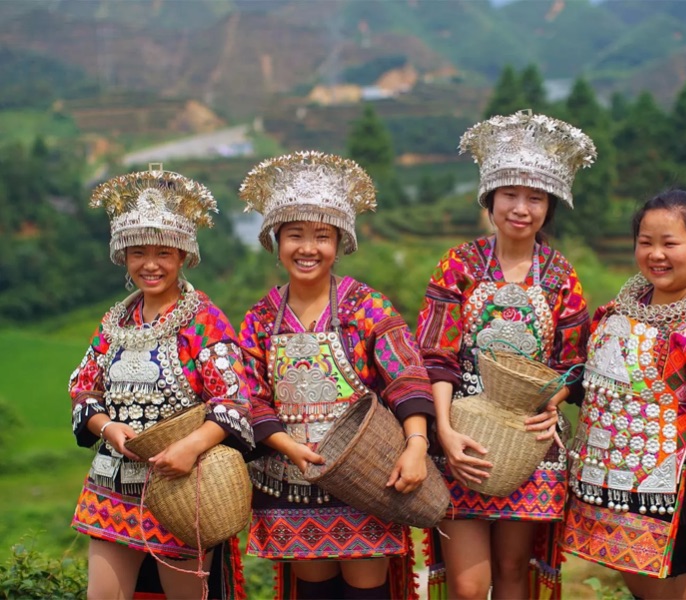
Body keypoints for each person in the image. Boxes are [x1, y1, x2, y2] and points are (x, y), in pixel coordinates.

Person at [238, 150, 436, 600]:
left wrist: (416, 446)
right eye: (295, 235)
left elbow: (407, 376)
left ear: (340, 242)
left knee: (366, 590)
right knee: (314, 591)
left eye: (321, 236)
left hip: (366, 478)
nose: (308, 248)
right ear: (275, 241)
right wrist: (289, 447)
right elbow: (250, 396)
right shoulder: (260, 318)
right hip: (290, 480)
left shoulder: (365, 306)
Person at [415, 111, 596, 599]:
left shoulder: (561, 274)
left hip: (530, 440)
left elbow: (574, 365)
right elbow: (436, 356)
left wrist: (553, 405)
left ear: (549, 206)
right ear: (489, 199)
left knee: (516, 570)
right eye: (510, 195)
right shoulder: (459, 265)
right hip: (463, 438)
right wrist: (445, 430)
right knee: (470, 586)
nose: (521, 208)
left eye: (535, 198)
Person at [561, 189, 686, 600]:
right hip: (613, 491)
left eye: (670, 243)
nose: (656, 254)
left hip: (678, 501)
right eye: (646, 242)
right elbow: (601, 385)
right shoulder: (620, 310)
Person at [69, 165, 254, 600]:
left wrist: (189, 448)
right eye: (138, 253)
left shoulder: (204, 321)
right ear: (123, 256)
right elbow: (83, 389)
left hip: (181, 488)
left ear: (184, 257)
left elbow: (233, 403)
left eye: (163, 253)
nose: (150, 265)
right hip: (111, 485)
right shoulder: (114, 321)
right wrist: (106, 428)